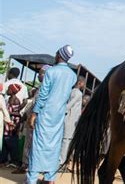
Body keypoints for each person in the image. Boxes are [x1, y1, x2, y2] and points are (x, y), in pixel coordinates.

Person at [26, 45, 77, 184]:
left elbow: (43, 94)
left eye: (56, 53)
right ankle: (50, 178)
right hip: (59, 116)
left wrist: (34, 113)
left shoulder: (51, 72)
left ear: (59, 55)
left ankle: (31, 179)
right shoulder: (72, 76)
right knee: (54, 147)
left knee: (38, 146)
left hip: (45, 114)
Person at [12, 65, 50, 174]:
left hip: (35, 121)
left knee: (31, 144)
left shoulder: (45, 88)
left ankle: (28, 167)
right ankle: (26, 165)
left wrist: (31, 116)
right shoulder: (42, 87)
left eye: (40, 73)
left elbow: (37, 104)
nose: (38, 75)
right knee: (29, 144)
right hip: (33, 120)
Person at [59, 76, 85, 165]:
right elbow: (69, 105)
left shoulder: (70, 91)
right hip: (70, 119)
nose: (84, 85)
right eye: (83, 83)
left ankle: (63, 160)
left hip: (69, 119)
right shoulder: (78, 93)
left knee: (65, 140)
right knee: (66, 140)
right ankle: (61, 162)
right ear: (80, 83)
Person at [0, 84, 22, 167]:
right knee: (5, 142)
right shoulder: (9, 99)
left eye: (9, 89)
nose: (7, 90)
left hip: (12, 124)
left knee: (12, 143)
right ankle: (3, 160)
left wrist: (8, 113)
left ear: (12, 91)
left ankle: (14, 161)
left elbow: (19, 113)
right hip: (7, 123)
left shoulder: (16, 100)